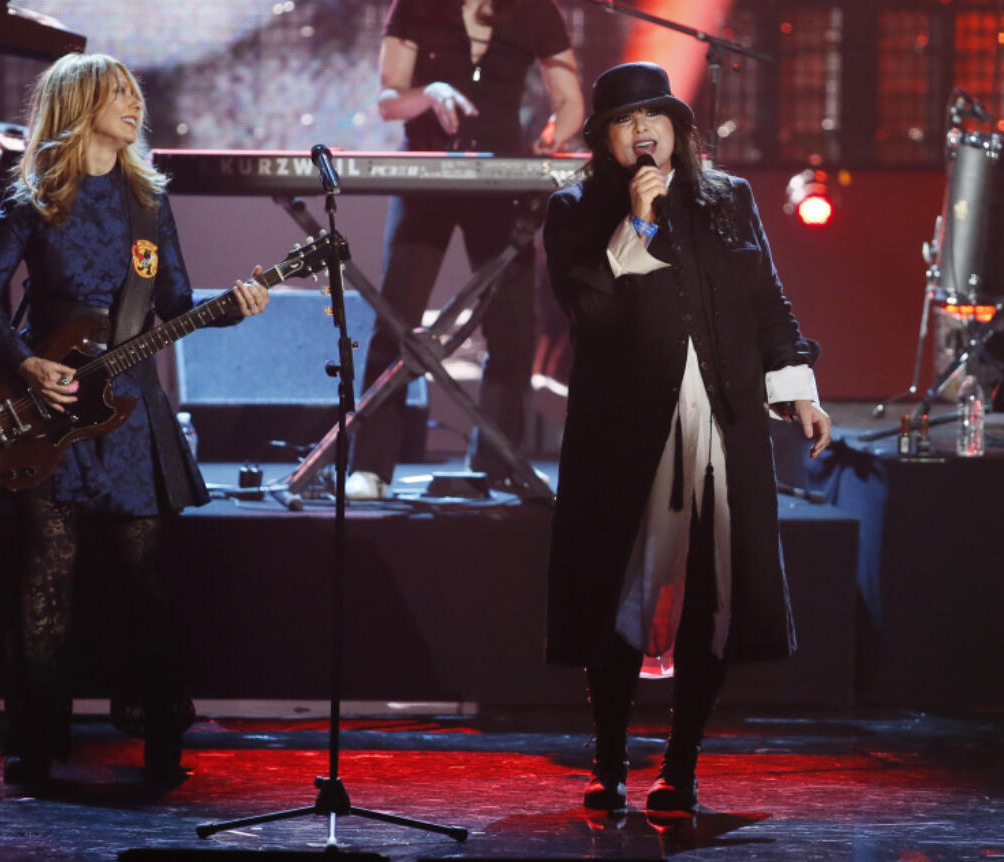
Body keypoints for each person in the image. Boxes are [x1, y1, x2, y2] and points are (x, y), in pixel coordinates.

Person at [0, 53, 269, 786]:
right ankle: (34, 744)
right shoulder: (33, 199)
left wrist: (238, 304)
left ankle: (162, 737)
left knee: (145, 581)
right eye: (119, 93)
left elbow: (175, 303)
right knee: (47, 578)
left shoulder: (148, 203)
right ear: (79, 103)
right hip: (52, 410)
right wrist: (27, 363)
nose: (135, 105)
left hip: (131, 409)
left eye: (136, 94)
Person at [542, 62, 831, 812]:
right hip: (626, 431)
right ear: (605, 139)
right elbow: (590, 315)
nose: (643, 132)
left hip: (724, 422)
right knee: (618, 588)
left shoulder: (727, 199)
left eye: (655, 119)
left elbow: (766, 296)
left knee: (713, 590)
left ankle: (683, 766)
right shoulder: (572, 210)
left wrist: (797, 384)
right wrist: (634, 223)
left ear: (677, 131)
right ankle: (609, 762)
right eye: (625, 121)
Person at [345, 0, 584, 499]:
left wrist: (547, 145)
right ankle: (371, 467)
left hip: (502, 177)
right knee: (396, 321)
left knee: (514, 329)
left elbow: (570, 102)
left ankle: (497, 462)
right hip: (426, 172)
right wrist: (429, 94)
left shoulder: (537, 11)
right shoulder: (414, 7)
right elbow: (389, 101)